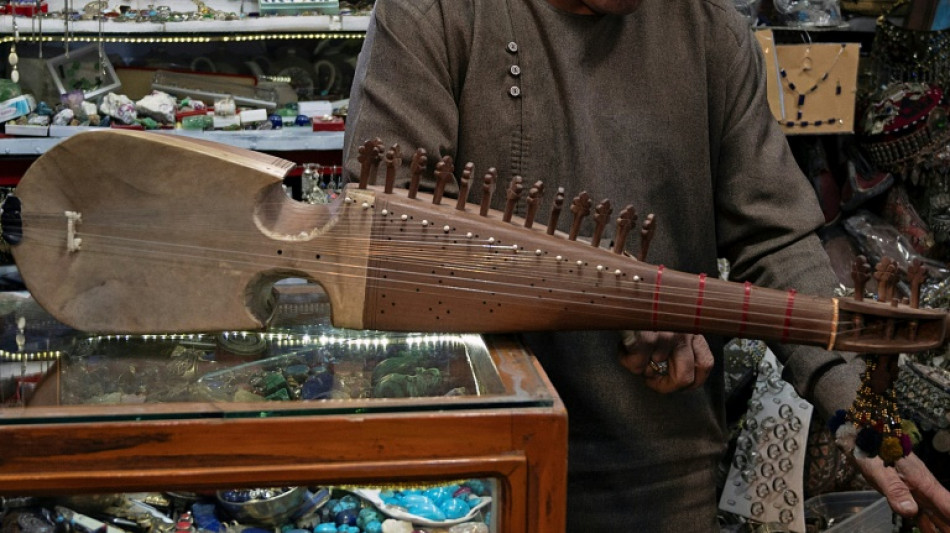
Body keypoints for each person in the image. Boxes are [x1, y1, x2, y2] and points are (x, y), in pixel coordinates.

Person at [341, 0, 950, 529]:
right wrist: (616, 299)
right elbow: (393, 246)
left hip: (661, 469)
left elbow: (776, 239)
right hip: (471, 470)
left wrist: (858, 410)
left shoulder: (708, 29)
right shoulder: (434, 14)